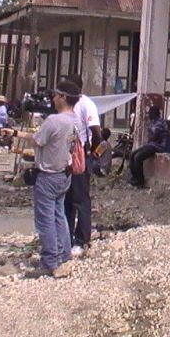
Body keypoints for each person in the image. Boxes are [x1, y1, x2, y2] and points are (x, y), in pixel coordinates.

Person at [18, 80, 83, 279]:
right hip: (65, 174)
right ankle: (63, 255)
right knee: (59, 215)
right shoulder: (77, 120)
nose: (52, 99)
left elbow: (38, 140)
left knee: (45, 220)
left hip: (48, 175)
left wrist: (17, 134)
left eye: (55, 95)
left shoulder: (54, 121)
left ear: (63, 97)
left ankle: (50, 262)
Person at [64, 73, 101, 256]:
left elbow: (96, 131)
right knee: (67, 199)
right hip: (66, 158)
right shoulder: (65, 106)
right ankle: (66, 237)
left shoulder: (86, 104)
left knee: (81, 199)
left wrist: (92, 154)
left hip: (82, 156)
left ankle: (82, 239)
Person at [128, 106, 170, 188]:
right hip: (152, 145)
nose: (148, 115)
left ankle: (140, 181)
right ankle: (134, 178)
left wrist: (150, 136)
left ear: (154, 113)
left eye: (150, 113)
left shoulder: (160, 122)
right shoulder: (154, 122)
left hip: (159, 146)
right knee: (132, 154)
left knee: (138, 157)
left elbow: (154, 136)